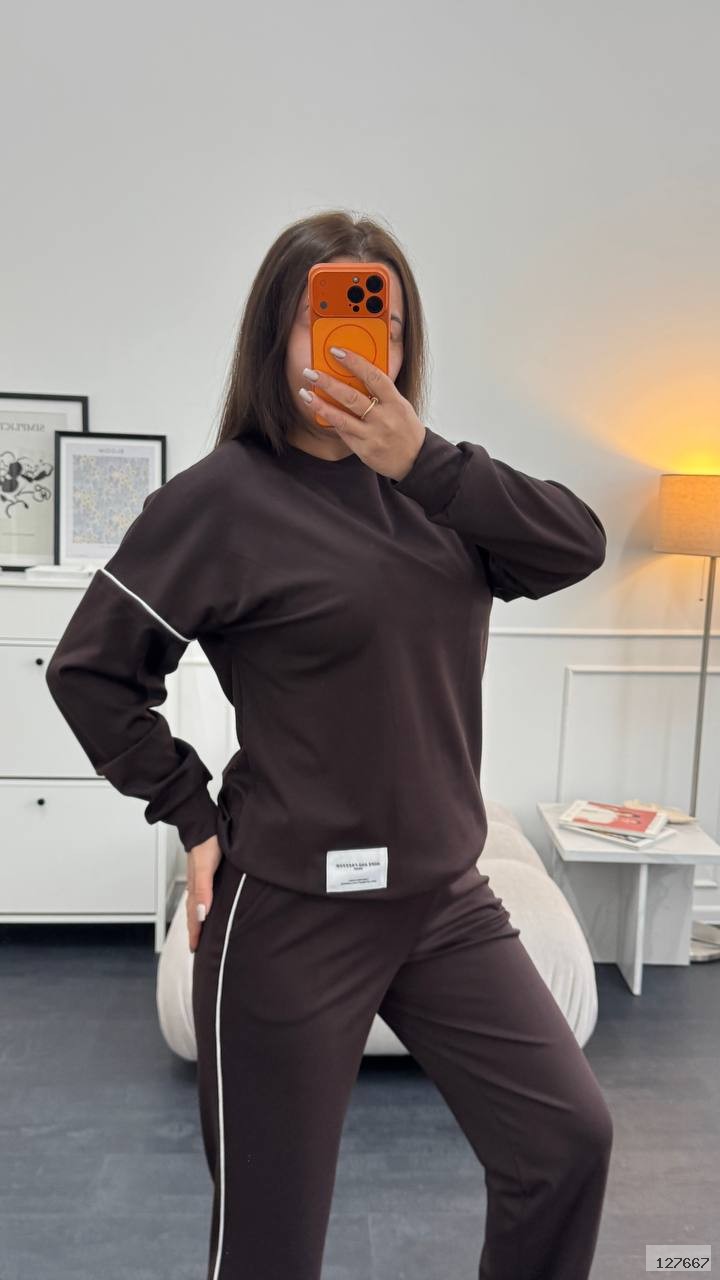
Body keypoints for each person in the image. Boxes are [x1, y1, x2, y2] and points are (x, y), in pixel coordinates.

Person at [45, 209, 613, 1280]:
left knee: (568, 1143)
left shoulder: (442, 490)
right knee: (271, 1241)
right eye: (333, 318)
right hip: (290, 914)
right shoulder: (219, 501)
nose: (364, 345)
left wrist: (427, 463)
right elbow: (89, 670)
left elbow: (576, 544)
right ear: (280, 334)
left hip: (444, 902)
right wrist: (190, 813)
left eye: (384, 322)